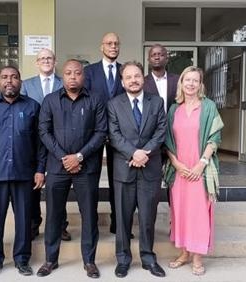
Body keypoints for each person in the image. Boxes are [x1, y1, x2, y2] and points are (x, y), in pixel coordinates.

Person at [0, 65, 46, 278]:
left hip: (25, 175)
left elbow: (40, 143)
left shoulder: (32, 107)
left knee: (24, 220)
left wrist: (41, 170)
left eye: (14, 77)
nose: (9, 81)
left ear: (20, 81)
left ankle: (22, 259)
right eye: (4, 77)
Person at [37, 59, 107, 279]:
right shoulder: (50, 101)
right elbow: (44, 131)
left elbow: (101, 132)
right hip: (57, 168)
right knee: (54, 215)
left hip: (87, 168)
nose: (73, 76)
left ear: (83, 76)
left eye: (77, 73)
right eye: (68, 73)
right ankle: (50, 259)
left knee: (89, 214)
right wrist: (63, 157)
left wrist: (79, 157)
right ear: (63, 76)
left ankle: (89, 261)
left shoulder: (95, 100)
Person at [107, 61, 167, 278]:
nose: (133, 80)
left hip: (149, 169)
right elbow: (113, 134)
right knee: (122, 219)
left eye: (137, 76)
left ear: (144, 79)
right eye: (128, 77)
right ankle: (123, 259)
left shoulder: (157, 102)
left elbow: (161, 131)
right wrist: (134, 153)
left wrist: (145, 153)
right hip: (124, 170)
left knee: (147, 218)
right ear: (122, 82)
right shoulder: (113, 104)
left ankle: (148, 258)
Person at [164, 66, 224, 276]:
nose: (190, 84)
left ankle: (197, 257)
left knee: (199, 213)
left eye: (195, 80)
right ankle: (184, 253)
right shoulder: (174, 109)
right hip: (179, 170)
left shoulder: (208, 107)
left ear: (200, 85)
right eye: (186, 80)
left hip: (200, 169)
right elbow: (167, 141)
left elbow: (214, 138)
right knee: (180, 212)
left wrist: (201, 164)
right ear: (181, 83)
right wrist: (177, 164)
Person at [21, 48, 71, 242]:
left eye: (49, 58)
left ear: (55, 61)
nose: (46, 61)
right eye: (42, 58)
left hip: (60, 142)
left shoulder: (63, 83)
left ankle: (61, 226)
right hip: (34, 142)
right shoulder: (27, 85)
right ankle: (34, 224)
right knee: (34, 185)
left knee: (60, 185)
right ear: (37, 62)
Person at [84, 32, 124, 234]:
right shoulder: (89, 71)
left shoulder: (125, 71)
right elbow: (87, 102)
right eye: (109, 43)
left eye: (116, 43)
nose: (113, 46)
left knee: (119, 179)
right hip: (95, 133)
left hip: (120, 135)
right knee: (91, 179)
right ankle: (91, 224)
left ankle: (118, 221)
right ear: (102, 47)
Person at [144, 43, 180, 197]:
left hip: (175, 136)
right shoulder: (142, 83)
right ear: (148, 59)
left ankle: (176, 216)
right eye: (154, 54)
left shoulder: (178, 80)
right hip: (151, 138)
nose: (157, 57)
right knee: (152, 180)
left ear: (167, 58)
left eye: (161, 54)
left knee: (176, 179)